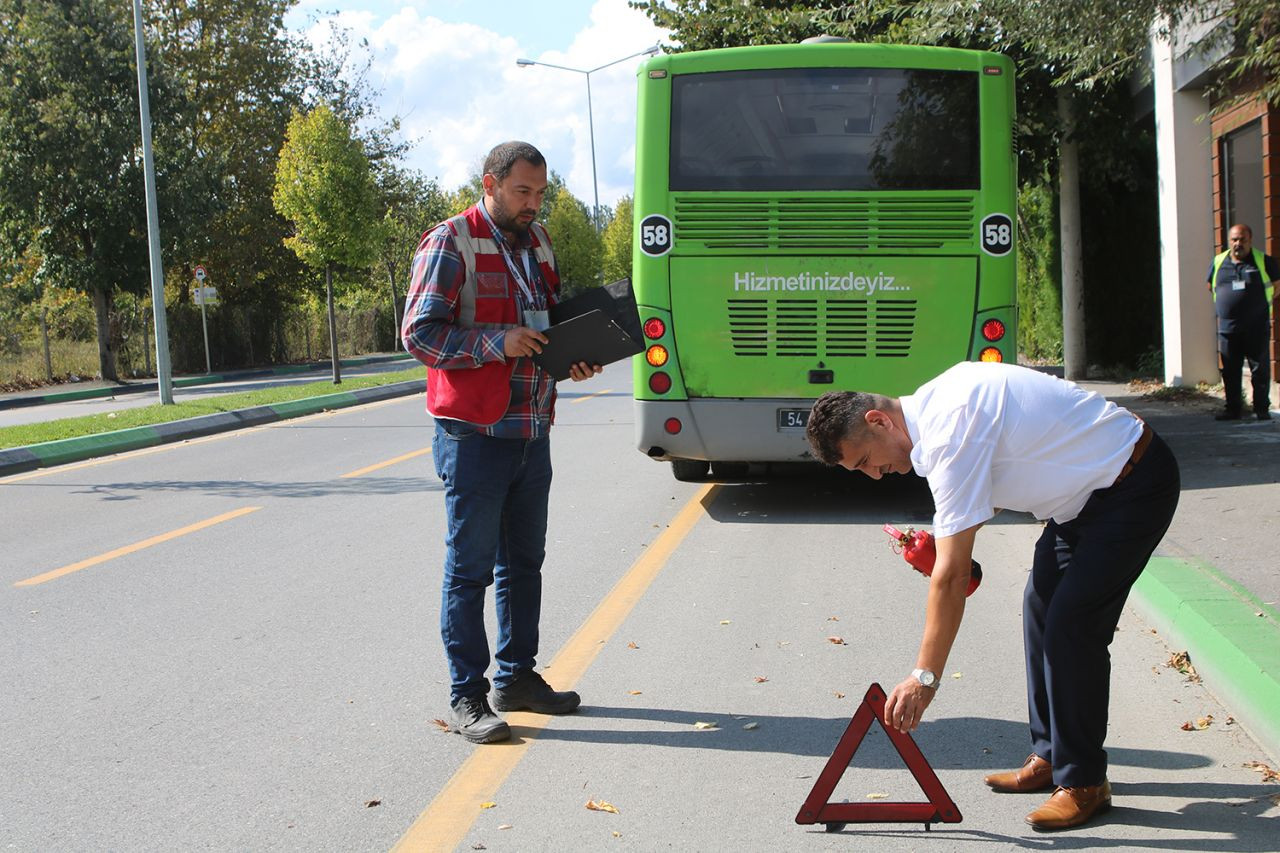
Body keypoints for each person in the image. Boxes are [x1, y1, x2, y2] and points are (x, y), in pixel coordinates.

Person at [805, 361, 1180, 830]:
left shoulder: (948, 431)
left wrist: (924, 677)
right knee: (1040, 610)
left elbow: (952, 576)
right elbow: (993, 481)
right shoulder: (940, 407)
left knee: (1072, 626)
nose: (876, 476)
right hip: (1083, 502)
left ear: (878, 421)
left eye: (865, 461)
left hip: (1133, 484)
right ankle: (1052, 756)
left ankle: (1084, 782)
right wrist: (947, 547)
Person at [401, 141, 602, 744]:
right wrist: (497, 343)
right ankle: (468, 695)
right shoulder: (449, 242)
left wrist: (573, 358)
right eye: (523, 192)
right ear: (490, 183)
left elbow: (542, 328)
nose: (534, 205)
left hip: (530, 430)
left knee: (524, 565)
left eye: (541, 193)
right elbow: (420, 335)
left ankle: (516, 678)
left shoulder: (536, 243)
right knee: (469, 572)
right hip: (474, 435)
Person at [1208, 223, 1277, 421]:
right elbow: (1210, 285)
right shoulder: (1218, 262)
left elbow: (1276, 286)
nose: (1238, 243)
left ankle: (1262, 410)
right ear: (1229, 241)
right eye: (1234, 240)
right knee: (1230, 371)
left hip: (1257, 327)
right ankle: (1233, 409)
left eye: (1242, 239)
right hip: (1228, 329)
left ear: (1250, 240)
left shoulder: (1264, 261)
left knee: (1260, 371)